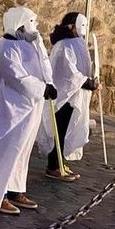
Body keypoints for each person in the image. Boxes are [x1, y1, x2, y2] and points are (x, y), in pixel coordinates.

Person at [0, 6, 57, 215]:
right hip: (9, 108)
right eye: (32, 21)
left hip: (31, 107)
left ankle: (15, 189)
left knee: (21, 150)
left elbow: (44, 65)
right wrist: (42, 88)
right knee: (4, 148)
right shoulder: (6, 46)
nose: (36, 25)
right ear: (20, 24)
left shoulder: (32, 42)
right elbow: (17, 77)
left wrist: (49, 85)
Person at [36, 12, 96, 181]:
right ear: (71, 26)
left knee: (66, 129)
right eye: (81, 25)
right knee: (59, 130)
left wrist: (90, 80)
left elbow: (83, 66)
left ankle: (60, 162)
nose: (83, 29)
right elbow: (67, 72)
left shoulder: (78, 43)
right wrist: (86, 82)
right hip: (64, 96)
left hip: (74, 95)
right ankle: (53, 166)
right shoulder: (63, 46)